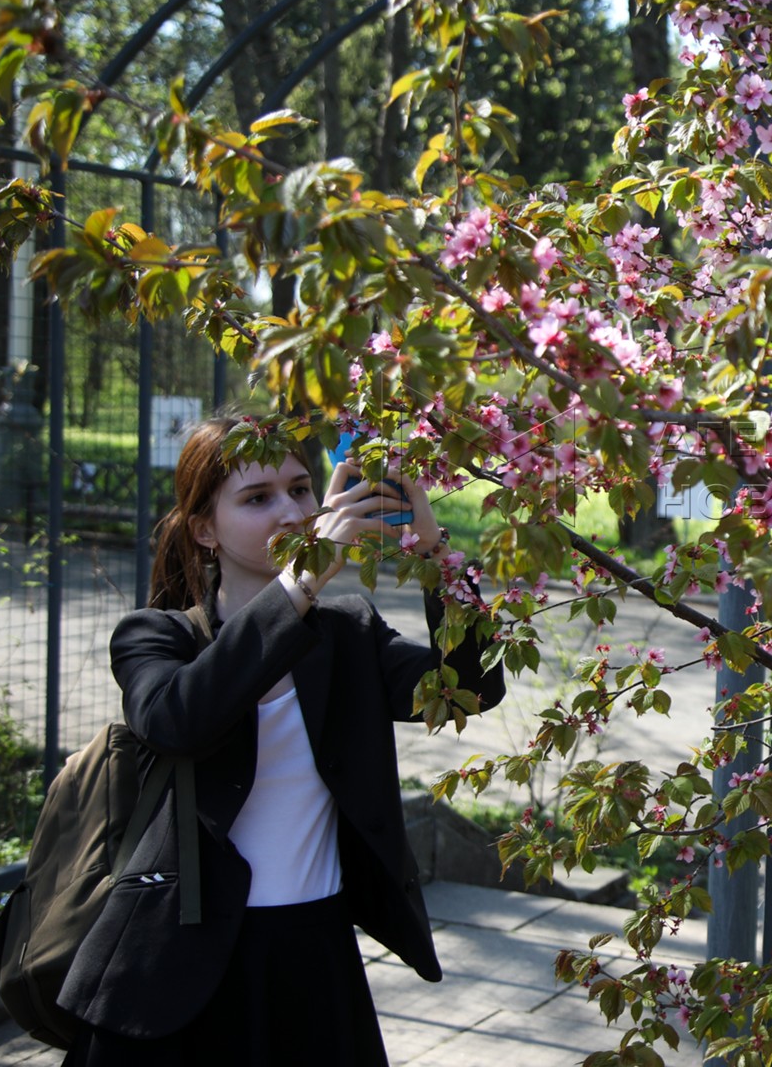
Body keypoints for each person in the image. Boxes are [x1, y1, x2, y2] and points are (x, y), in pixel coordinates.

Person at [57, 416, 505, 1066]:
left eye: (300, 489)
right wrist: (302, 580)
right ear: (205, 530)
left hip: (313, 949)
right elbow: (180, 719)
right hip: (179, 967)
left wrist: (437, 555)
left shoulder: (349, 632)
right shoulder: (156, 637)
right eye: (257, 497)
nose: (291, 511)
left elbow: (468, 689)